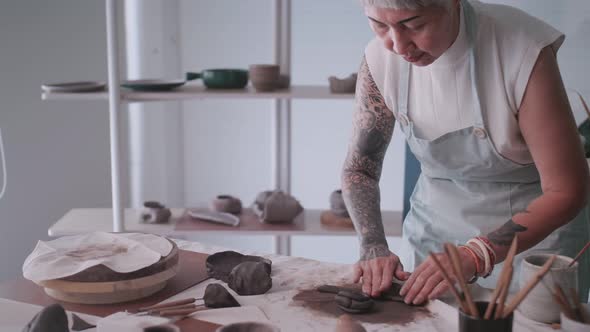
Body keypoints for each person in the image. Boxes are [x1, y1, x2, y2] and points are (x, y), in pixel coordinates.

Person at [341, 0, 590, 305]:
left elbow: (567, 191)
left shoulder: (521, 48)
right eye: (379, 24)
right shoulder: (381, 59)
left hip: (537, 240)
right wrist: (373, 246)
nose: (397, 44)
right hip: (434, 236)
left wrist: (478, 252)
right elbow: (359, 170)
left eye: (414, 24)